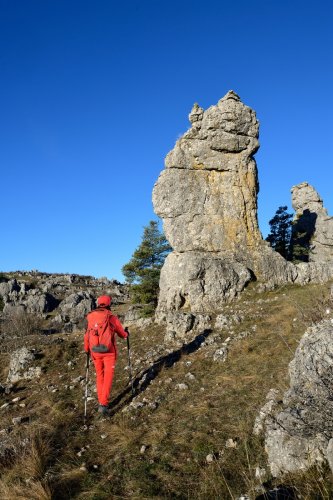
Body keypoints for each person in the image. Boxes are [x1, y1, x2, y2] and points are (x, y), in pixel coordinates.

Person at [84, 295, 128, 416]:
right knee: (108, 376)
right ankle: (103, 404)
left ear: (98, 303)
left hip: (95, 352)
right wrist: (126, 335)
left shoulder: (90, 316)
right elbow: (121, 332)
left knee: (100, 376)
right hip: (109, 352)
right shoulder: (111, 317)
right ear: (109, 304)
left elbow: (87, 334)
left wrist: (87, 349)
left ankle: (101, 401)